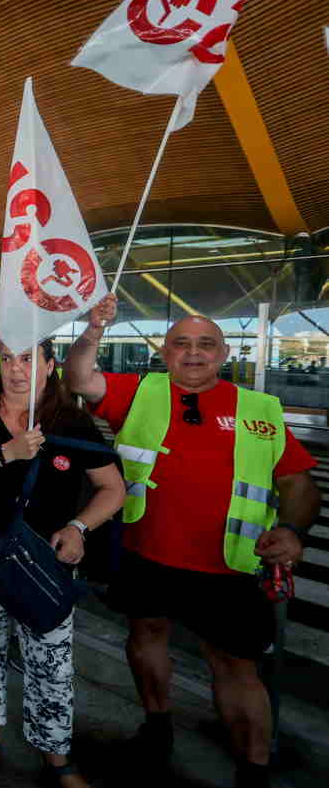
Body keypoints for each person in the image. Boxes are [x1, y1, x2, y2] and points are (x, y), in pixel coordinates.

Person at [66, 296, 320, 788]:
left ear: (225, 354)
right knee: (145, 636)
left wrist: (291, 530)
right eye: (182, 344)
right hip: (146, 552)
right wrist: (93, 331)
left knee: (235, 665)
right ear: (165, 353)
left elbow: (298, 482)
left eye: (206, 344)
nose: (194, 354)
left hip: (228, 565)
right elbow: (79, 379)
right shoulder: (140, 391)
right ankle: (157, 728)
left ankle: (253, 770)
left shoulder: (259, 410)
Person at [0, 338, 125, 788]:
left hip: (42, 564)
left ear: (49, 363)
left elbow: (113, 489)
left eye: (26, 359)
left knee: (52, 664)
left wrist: (80, 528)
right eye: (7, 359)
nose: (15, 369)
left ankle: (56, 754)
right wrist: (8, 452)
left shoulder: (72, 422)